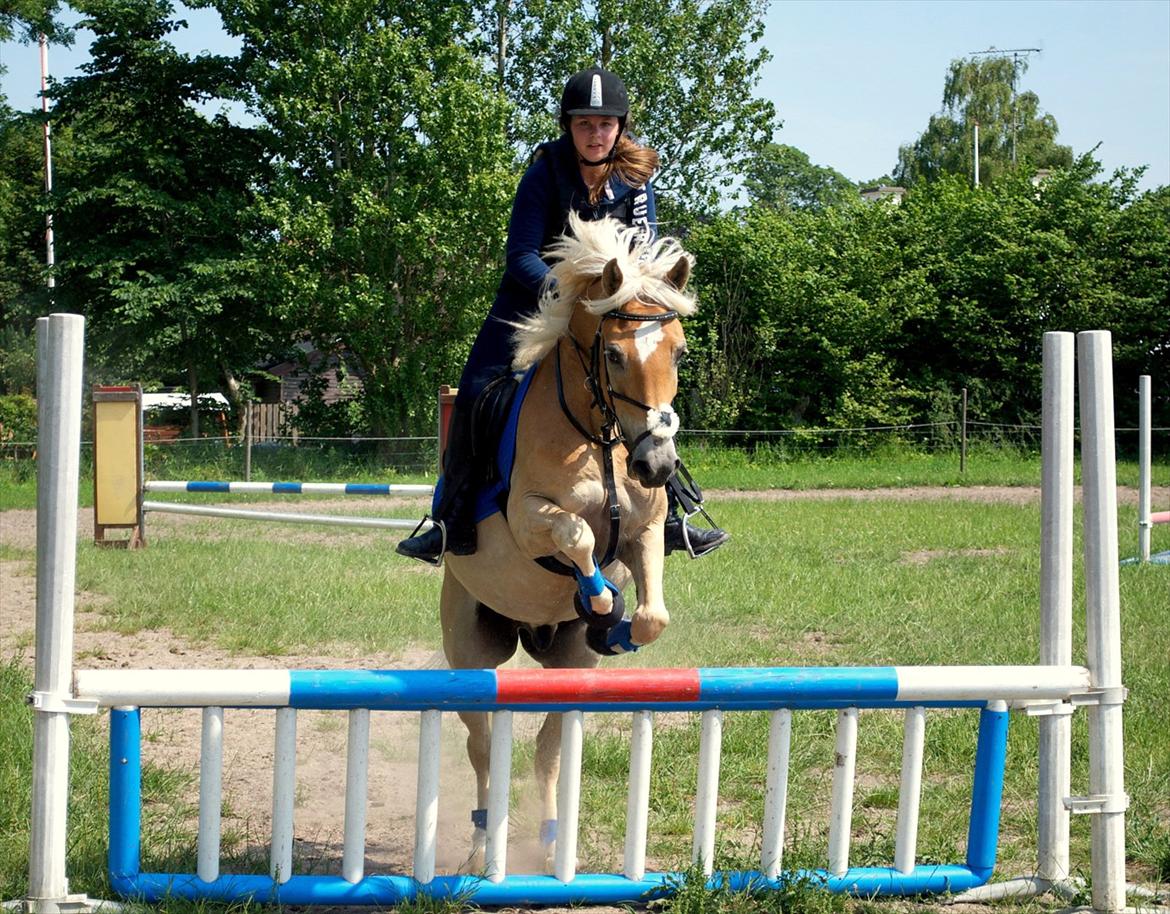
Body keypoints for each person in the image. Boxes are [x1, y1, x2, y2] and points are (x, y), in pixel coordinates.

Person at [397, 65, 728, 564]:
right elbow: (521, 256)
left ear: (620, 126)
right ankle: (450, 517)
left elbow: (639, 256)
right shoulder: (544, 172)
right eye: (583, 124)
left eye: (604, 124)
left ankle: (676, 512)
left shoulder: (635, 180)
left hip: (609, 312)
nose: (595, 134)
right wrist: (566, 291)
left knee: (647, 381)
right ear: (567, 127)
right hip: (531, 304)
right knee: (475, 391)